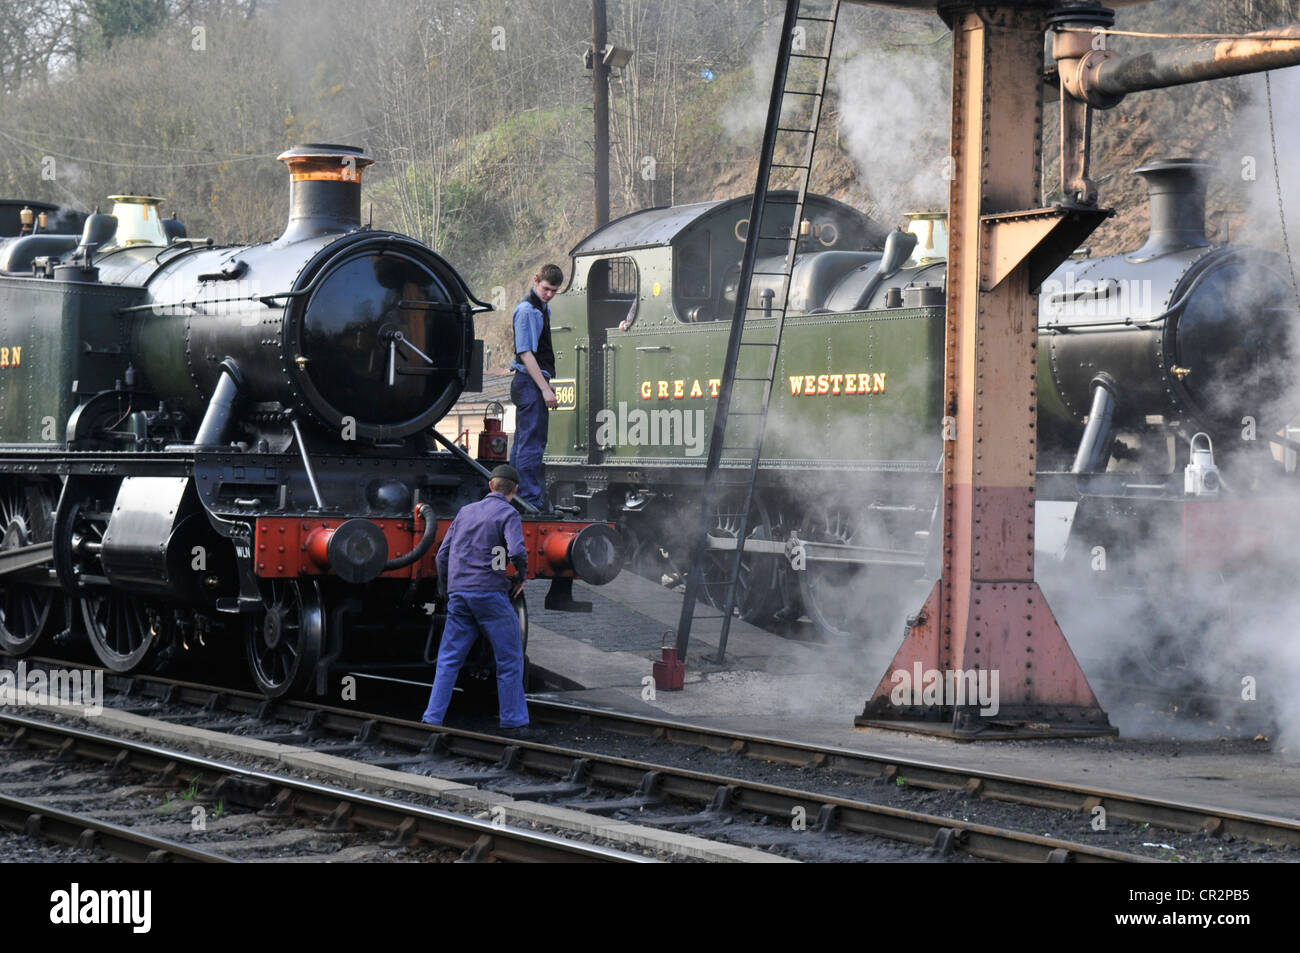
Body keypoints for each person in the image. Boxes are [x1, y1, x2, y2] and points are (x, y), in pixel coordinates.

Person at [421, 464, 536, 737]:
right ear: (514, 490)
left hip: (459, 595)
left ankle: (431, 719)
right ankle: (514, 722)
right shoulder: (508, 512)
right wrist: (521, 574)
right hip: (490, 596)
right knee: (509, 659)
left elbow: (441, 555)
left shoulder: (465, 512)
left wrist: (446, 591)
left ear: (490, 486)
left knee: (448, 660)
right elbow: (517, 549)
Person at [509, 264, 562, 510]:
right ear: (535, 281)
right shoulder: (527, 310)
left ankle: (517, 496)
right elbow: (526, 354)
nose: (549, 294)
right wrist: (545, 389)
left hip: (531, 383)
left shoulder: (542, 309)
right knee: (530, 443)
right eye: (546, 288)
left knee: (526, 442)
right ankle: (527, 499)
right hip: (530, 382)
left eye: (554, 291)